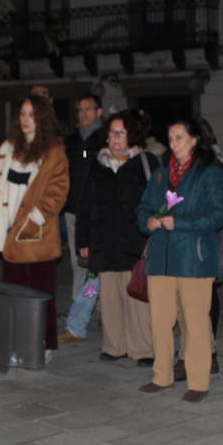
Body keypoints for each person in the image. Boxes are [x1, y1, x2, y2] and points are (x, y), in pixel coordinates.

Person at [135, 118, 223, 402]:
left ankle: (198, 382)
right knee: (159, 320)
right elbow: (142, 209)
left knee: (195, 322)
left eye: (180, 137)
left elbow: (221, 213)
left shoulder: (210, 173)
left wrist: (179, 222)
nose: (174, 143)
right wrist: (149, 222)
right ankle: (162, 375)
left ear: (194, 139)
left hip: (195, 258)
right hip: (161, 258)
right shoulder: (160, 173)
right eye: (171, 137)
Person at [0, 96, 69, 351]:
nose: (25, 119)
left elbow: (58, 191)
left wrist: (34, 220)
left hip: (36, 235)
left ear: (42, 118)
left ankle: (45, 345)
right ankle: (17, 344)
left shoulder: (54, 151)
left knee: (42, 295)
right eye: (22, 114)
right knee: (13, 294)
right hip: (8, 233)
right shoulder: (7, 147)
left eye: (31, 114)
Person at [76, 108, 153, 364]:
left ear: (133, 136)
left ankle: (142, 349)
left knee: (137, 297)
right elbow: (84, 205)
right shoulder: (97, 165)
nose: (116, 138)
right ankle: (114, 345)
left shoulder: (146, 163)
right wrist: (83, 241)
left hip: (135, 241)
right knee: (109, 297)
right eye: (112, 133)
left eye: (121, 133)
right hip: (104, 241)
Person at [60, 94, 105, 344]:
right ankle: (79, 314)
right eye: (79, 110)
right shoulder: (71, 141)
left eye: (88, 109)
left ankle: (99, 311)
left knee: (98, 266)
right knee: (79, 263)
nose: (83, 114)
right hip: (73, 209)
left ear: (98, 112)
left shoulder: (106, 138)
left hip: (98, 212)